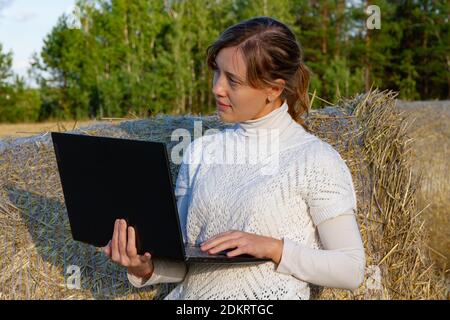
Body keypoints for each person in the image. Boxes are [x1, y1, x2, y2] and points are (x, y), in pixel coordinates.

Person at [103, 16, 366, 300]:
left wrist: (274, 248)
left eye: (233, 81)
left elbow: (350, 269)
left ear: (273, 89)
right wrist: (145, 266)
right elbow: (181, 261)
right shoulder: (200, 151)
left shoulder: (314, 160)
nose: (218, 88)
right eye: (217, 72)